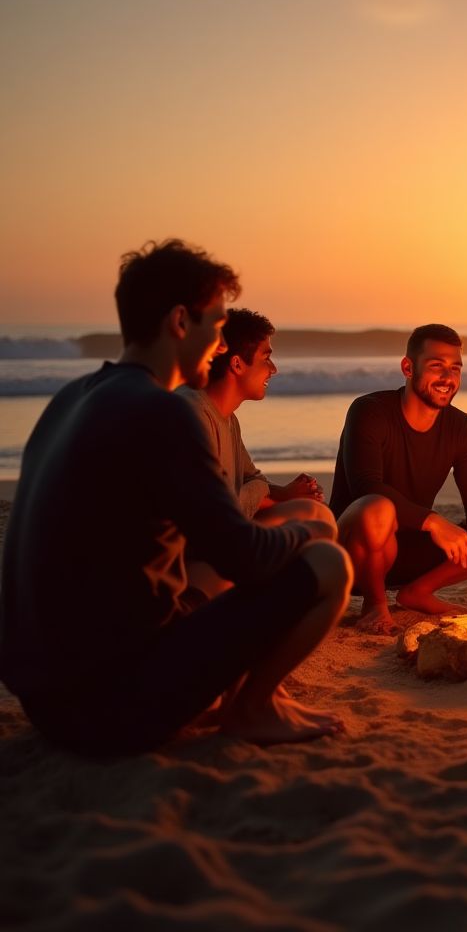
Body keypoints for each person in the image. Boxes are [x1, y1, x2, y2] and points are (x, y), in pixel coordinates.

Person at [0, 239, 353, 754]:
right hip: (110, 708)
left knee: (210, 576)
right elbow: (246, 556)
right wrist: (308, 529)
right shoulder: (161, 412)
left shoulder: (72, 397)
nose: (219, 343)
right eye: (215, 324)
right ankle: (253, 707)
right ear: (180, 322)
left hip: (45, 700)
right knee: (328, 563)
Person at [329, 324, 467, 634]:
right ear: (408, 367)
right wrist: (435, 522)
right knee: (378, 508)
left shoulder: (462, 427)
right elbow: (365, 487)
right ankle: (374, 604)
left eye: (455, 369)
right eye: (437, 367)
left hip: (409, 551)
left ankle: (418, 592)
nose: (448, 378)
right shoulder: (369, 411)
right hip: (354, 554)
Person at [178, 308, 327, 522]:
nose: (273, 369)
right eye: (266, 358)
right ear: (237, 364)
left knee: (313, 512)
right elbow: (214, 510)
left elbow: (252, 478)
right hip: (196, 546)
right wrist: (274, 493)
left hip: (223, 529)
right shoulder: (192, 415)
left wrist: (289, 494)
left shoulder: (228, 418)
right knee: (312, 517)